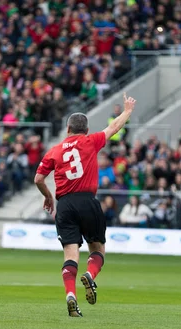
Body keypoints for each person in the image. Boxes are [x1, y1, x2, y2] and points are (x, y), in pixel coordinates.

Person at [34, 92, 137, 317]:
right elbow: (114, 128)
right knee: (98, 248)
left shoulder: (55, 151)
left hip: (65, 205)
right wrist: (127, 111)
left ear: (68, 130)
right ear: (86, 130)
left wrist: (48, 196)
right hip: (88, 202)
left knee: (70, 256)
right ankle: (90, 275)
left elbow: (38, 179)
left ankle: (71, 295)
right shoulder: (91, 141)